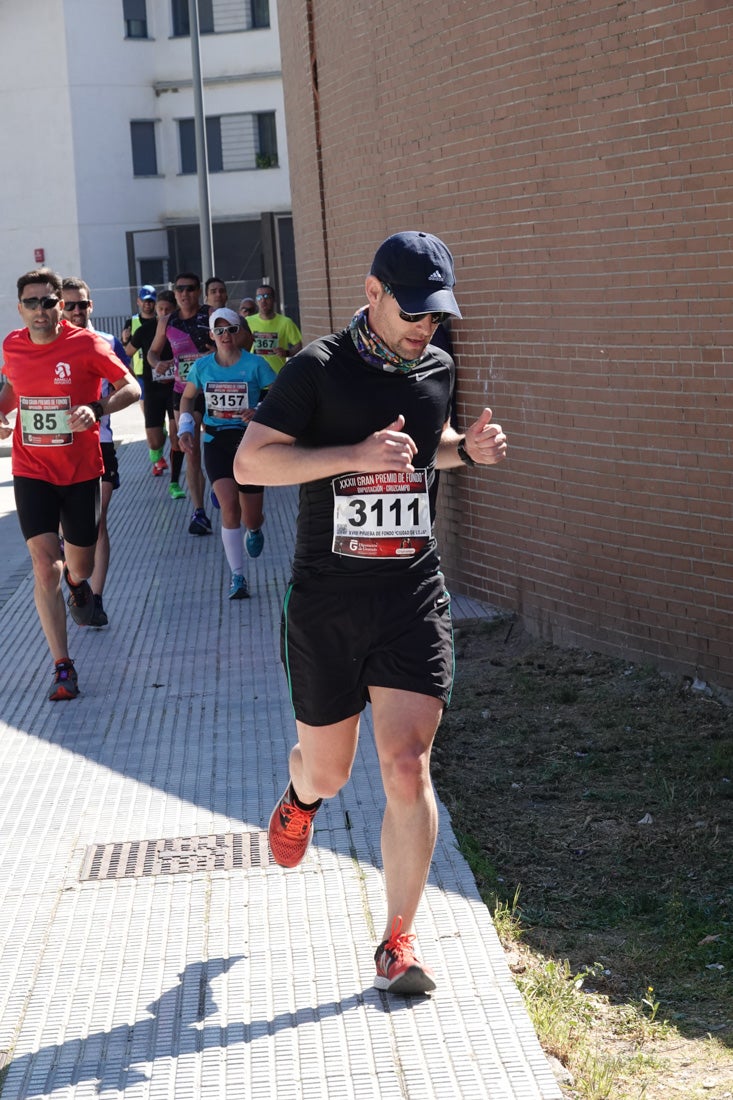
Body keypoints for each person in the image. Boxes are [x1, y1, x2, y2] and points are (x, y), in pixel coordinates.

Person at [234, 231, 507, 994]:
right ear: (373, 291)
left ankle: (397, 941)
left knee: (405, 763)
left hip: (410, 594)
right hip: (326, 602)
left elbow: (425, 449)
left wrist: (466, 451)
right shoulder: (317, 368)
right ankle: (302, 796)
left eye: (437, 313)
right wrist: (350, 455)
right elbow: (250, 462)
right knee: (330, 767)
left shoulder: (437, 368)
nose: (426, 326)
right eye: (413, 311)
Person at [0, 267, 140, 700]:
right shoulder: (12, 344)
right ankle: (62, 665)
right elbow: (12, 388)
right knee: (46, 568)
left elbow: (131, 387)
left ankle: (80, 586)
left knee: (77, 567)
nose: (39, 310)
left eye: (48, 302)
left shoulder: (87, 344)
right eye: (31, 302)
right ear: (20, 307)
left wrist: (96, 408)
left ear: (61, 305)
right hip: (31, 470)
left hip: (80, 473)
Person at [178, 307, 277, 599]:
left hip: (249, 442)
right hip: (216, 439)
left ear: (240, 333)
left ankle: (256, 529)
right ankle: (237, 576)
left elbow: (277, 395)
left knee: (252, 517)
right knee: (229, 507)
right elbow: (187, 397)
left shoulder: (256, 364)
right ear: (211, 334)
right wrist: (185, 426)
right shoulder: (203, 366)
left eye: (231, 329)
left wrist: (258, 408)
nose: (225, 335)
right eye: (218, 330)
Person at [61, 277, 130, 628]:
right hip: (57, 450)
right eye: (69, 305)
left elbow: (127, 388)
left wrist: (98, 408)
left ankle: (96, 598)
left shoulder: (107, 342)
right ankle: (76, 582)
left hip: (99, 442)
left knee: (97, 523)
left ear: (91, 306)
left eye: (82, 304)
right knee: (65, 529)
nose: (76, 311)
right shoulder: (49, 344)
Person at [148, 272, 214, 534]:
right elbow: (153, 351)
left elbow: (238, 340)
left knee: (217, 443)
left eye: (190, 289)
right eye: (179, 289)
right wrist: (157, 363)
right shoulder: (167, 321)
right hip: (182, 391)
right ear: (174, 293)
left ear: (198, 291)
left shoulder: (211, 314)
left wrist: (215, 353)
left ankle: (220, 484)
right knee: (190, 446)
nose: (184, 293)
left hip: (213, 389)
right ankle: (199, 512)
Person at [124, 289, 186, 499]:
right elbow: (125, 354)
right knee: (155, 442)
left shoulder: (181, 330)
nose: (164, 314)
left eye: (168, 310)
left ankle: (175, 482)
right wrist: (130, 376)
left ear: (175, 311)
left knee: (178, 436)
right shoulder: (145, 330)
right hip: (152, 389)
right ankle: (161, 440)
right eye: (161, 310)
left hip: (177, 389)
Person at [245, 284, 302, 374]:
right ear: (256, 301)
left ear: (274, 299)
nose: (263, 300)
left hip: (277, 375)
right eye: (259, 297)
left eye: (267, 296)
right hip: (254, 375)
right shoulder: (247, 321)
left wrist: (287, 353)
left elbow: (299, 345)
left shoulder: (286, 322)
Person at [121, 285, 157, 406]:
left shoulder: (161, 321)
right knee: (145, 402)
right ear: (138, 301)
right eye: (145, 301)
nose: (147, 304)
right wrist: (125, 341)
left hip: (158, 368)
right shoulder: (131, 322)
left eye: (151, 301)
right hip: (140, 371)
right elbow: (126, 350)